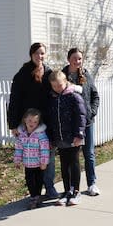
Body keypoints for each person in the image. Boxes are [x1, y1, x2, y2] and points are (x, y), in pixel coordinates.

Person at [7, 42, 58, 199]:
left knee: (48, 154)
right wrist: (13, 124)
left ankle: (49, 187)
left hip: (46, 121)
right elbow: (14, 100)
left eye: (42, 53)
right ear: (31, 55)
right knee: (32, 157)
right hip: (29, 122)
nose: (40, 56)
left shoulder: (49, 72)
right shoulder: (23, 74)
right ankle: (34, 191)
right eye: (37, 53)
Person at [62, 47, 101, 196]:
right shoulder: (63, 75)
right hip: (71, 125)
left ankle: (92, 184)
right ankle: (72, 187)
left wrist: (92, 112)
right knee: (72, 157)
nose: (77, 61)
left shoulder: (85, 75)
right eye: (74, 58)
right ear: (68, 59)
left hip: (87, 122)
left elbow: (95, 96)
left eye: (79, 59)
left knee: (89, 153)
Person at [46, 69, 87, 206]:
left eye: (60, 85)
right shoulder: (52, 98)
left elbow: (81, 117)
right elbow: (51, 120)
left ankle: (76, 191)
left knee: (74, 163)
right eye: (54, 86)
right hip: (60, 138)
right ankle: (66, 191)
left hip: (74, 137)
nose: (58, 88)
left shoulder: (74, 96)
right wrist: (51, 137)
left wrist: (79, 134)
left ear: (66, 82)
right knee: (64, 165)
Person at [13, 108, 50, 210]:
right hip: (28, 164)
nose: (32, 123)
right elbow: (19, 148)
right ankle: (33, 196)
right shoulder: (22, 135)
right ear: (25, 120)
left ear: (38, 122)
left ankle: (37, 196)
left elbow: (45, 150)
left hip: (38, 164)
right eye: (29, 121)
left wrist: (44, 162)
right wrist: (17, 160)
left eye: (35, 121)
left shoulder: (41, 135)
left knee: (38, 181)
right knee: (29, 181)